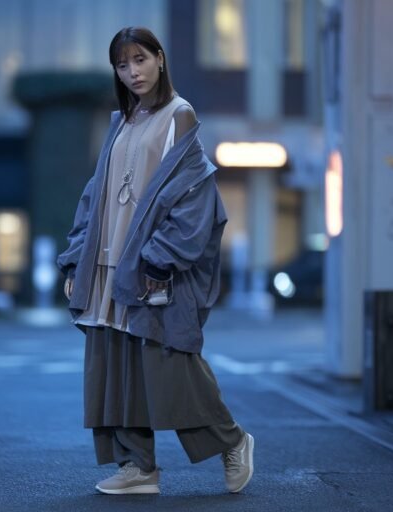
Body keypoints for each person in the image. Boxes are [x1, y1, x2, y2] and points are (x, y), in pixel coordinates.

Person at [57, 27, 254, 496]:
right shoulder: (123, 121)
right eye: (122, 65)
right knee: (117, 368)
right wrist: (75, 261)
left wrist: (161, 257)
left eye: (140, 60)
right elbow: (96, 196)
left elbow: (194, 195)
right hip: (108, 266)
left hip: (151, 267)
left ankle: (233, 441)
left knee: (172, 365)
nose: (132, 72)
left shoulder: (178, 115)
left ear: (160, 59)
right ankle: (138, 466)